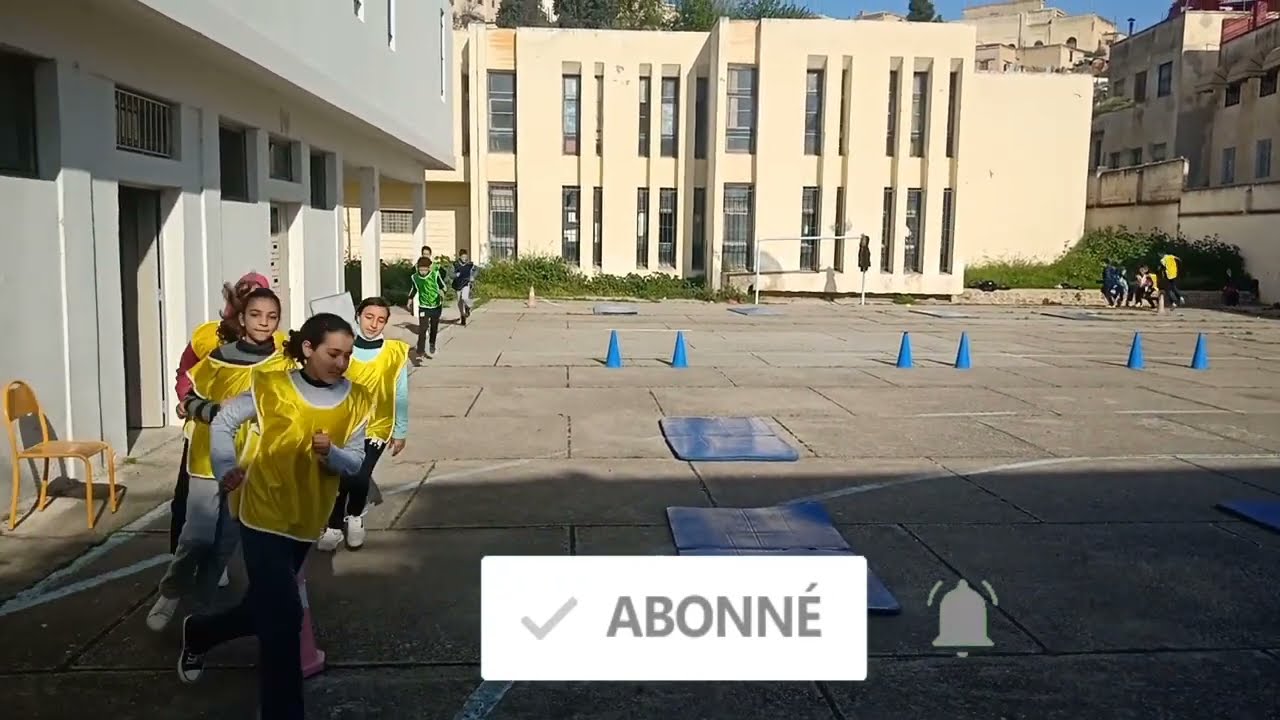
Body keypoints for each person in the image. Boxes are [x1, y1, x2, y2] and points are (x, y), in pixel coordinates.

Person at [177, 313, 374, 720]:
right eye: (332, 353)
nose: (341, 363)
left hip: (306, 520)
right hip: (261, 514)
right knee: (284, 618)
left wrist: (330, 454)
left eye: (347, 355)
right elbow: (225, 421)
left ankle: (200, 631)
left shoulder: (357, 399)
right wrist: (225, 466)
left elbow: (354, 464)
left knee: (263, 608)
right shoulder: (271, 388)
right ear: (307, 349)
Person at [148, 288, 294, 632]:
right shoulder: (217, 359)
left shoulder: (284, 362)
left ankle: (198, 609)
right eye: (256, 315)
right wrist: (219, 411)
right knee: (197, 535)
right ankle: (170, 592)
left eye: (272, 317)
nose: (264, 322)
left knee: (225, 543)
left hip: (250, 463)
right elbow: (190, 402)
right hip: (207, 458)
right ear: (242, 319)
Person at [170, 272, 283, 585]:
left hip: (251, 447)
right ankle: (179, 570)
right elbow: (186, 375)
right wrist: (190, 402)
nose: (262, 319)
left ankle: (216, 567)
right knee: (189, 508)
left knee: (240, 515)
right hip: (204, 437)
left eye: (268, 312)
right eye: (250, 303)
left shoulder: (282, 348)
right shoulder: (207, 337)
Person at [317, 297, 409, 551]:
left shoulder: (395, 353)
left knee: (358, 475)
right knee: (338, 477)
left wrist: (400, 430)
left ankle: (354, 516)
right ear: (358, 316)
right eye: (369, 317)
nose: (373, 324)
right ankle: (334, 526)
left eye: (381, 319)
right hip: (343, 425)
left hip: (377, 427)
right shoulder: (342, 349)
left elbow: (400, 393)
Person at [405, 255, 448, 358]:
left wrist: (442, 292)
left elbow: (443, 287)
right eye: (421, 269)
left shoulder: (435, 275)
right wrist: (410, 299)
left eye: (425, 269)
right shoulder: (415, 277)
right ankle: (420, 350)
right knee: (423, 328)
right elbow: (414, 289)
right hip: (423, 306)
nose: (422, 272)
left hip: (436, 305)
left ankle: (432, 343)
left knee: (433, 327)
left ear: (429, 268)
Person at [452, 248, 477, 326]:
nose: (464, 258)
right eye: (462, 257)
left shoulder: (470, 264)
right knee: (459, 302)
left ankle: (468, 307)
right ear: (460, 257)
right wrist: (455, 275)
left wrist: (472, 276)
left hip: (466, 283)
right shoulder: (455, 264)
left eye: (465, 257)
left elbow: (476, 270)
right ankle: (462, 316)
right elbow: (450, 274)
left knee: (464, 297)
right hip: (458, 284)